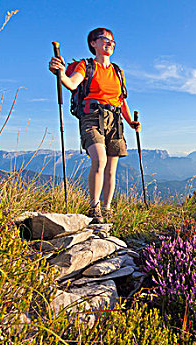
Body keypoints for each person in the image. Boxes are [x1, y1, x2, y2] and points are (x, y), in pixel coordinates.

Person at [48, 28, 140, 223]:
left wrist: (131, 121)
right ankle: (95, 207)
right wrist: (61, 73)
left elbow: (121, 100)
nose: (110, 43)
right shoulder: (85, 66)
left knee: (112, 169)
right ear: (93, 43)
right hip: (92, 116)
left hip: (115, 119)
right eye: (104, 39)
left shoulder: (117, 71)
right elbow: (72, 84)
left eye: (112, 41)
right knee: (100, 159)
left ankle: (107, 209)